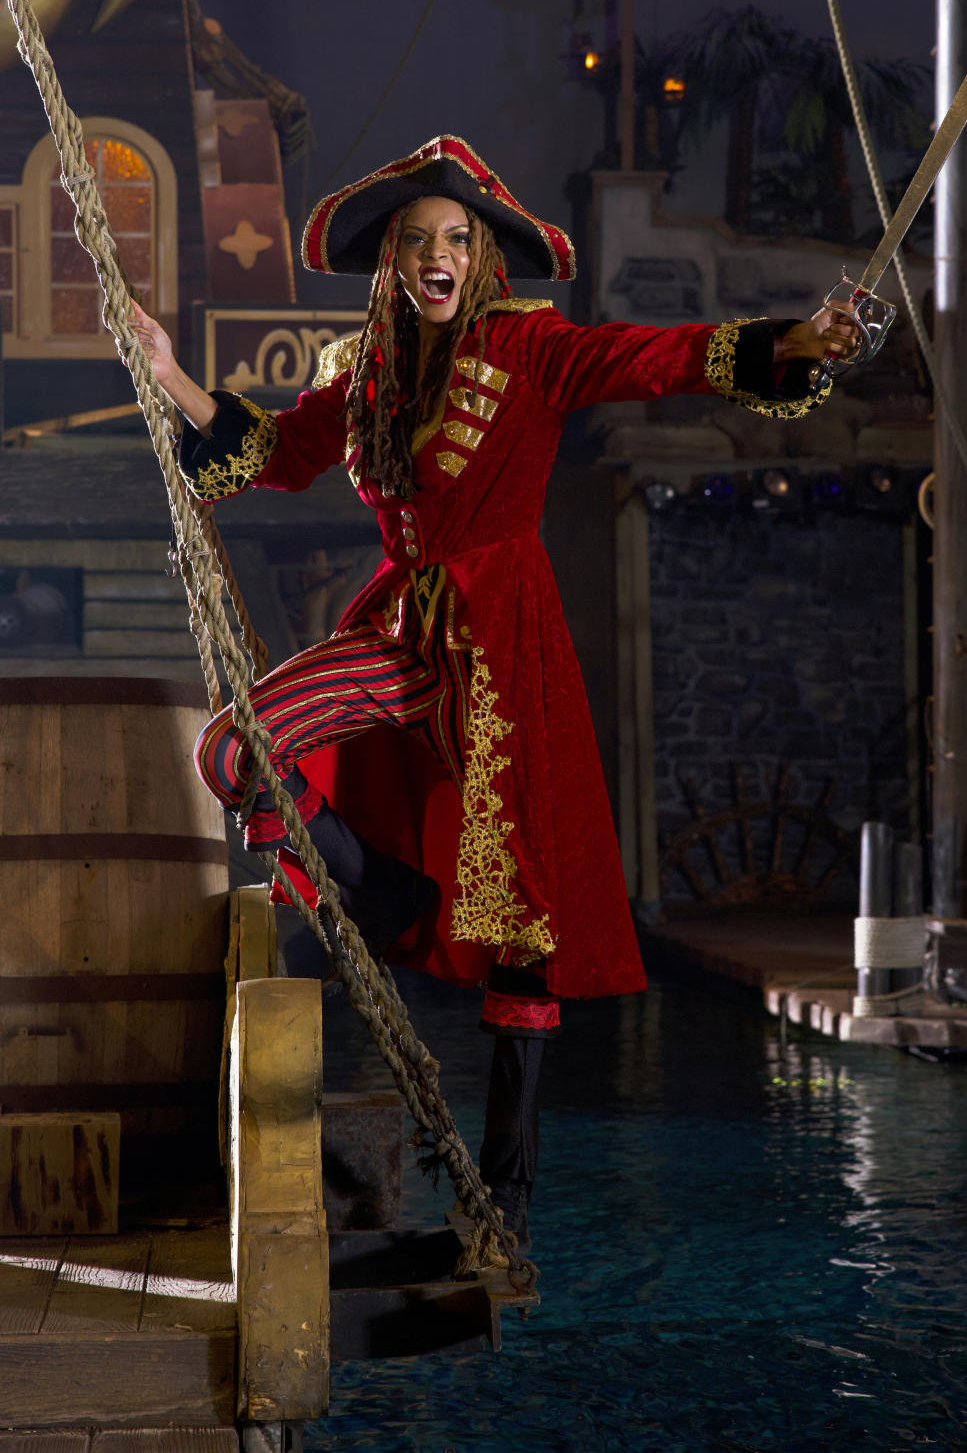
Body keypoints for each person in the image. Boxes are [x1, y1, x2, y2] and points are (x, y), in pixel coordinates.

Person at [132, 133, 859, 1252]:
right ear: (390, 261)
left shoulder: (533, 348)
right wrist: (169, 368)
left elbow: (652, 355)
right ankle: (388, 907)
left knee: (523, 935)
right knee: (237, 751)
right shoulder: (359, 370)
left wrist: (797, 341)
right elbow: (274, 453)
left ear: (480, 261)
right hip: (402, 622)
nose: (436, 254)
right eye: (417, 239)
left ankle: (506, 1203)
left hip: (505, 650)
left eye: (456, 240)